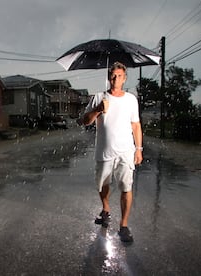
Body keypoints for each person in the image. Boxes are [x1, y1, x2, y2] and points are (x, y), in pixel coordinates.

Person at [81, 61, 143, 243]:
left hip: (126, 151)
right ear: (109, 77)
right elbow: (85, 121)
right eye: (113, 75)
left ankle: (124, 225)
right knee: (102, 185)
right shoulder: (99, 97)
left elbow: (136, 125)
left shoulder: (131, 99)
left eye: (120, 76)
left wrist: (139, 149)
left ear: (125, 79)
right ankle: (106, 209)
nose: (116, 79)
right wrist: (98, 110)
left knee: (126, 187)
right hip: (104, 151)